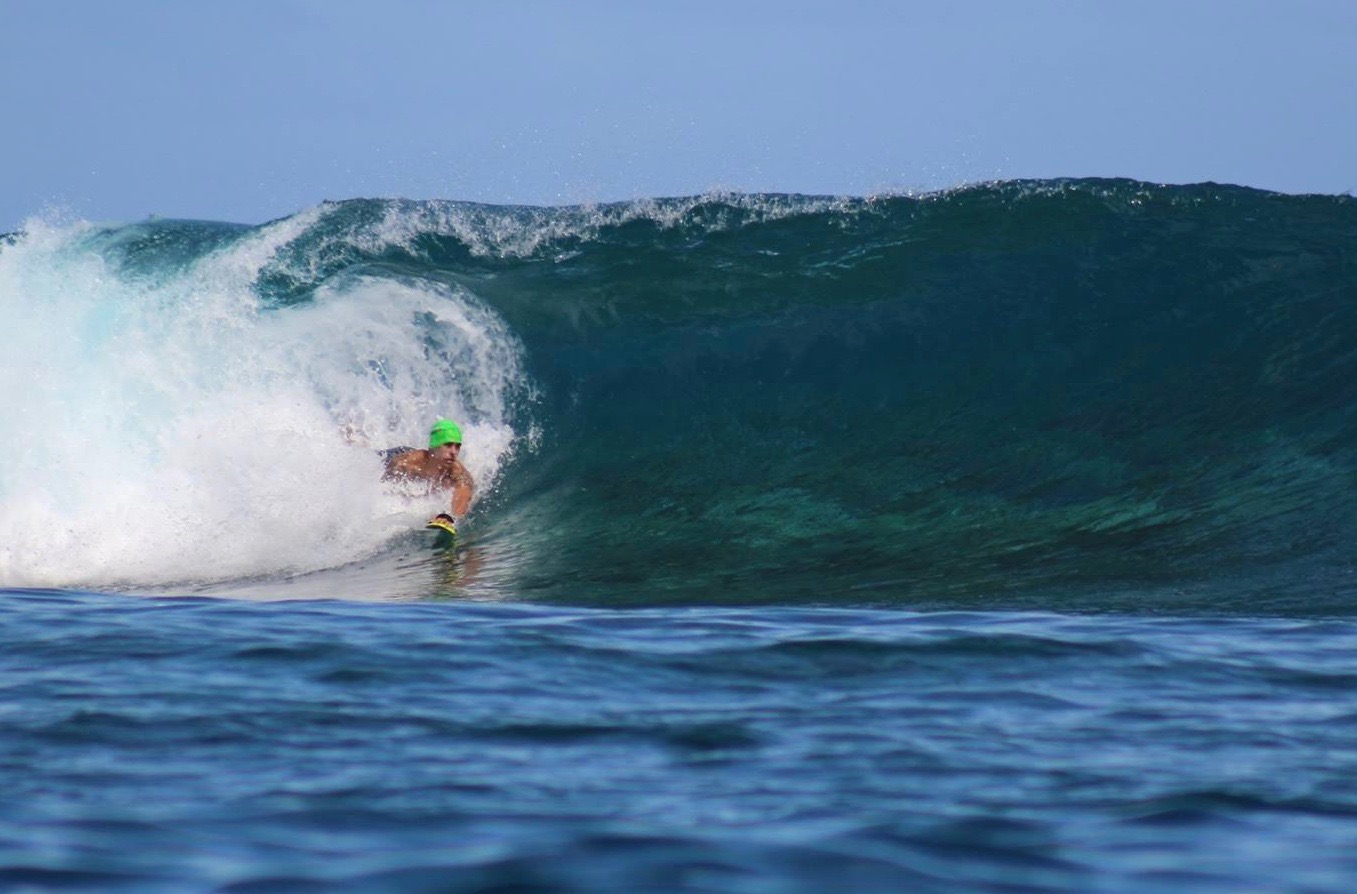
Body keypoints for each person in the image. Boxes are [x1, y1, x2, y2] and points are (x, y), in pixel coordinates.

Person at [382, 418, 474, 534]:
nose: (454, 452)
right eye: (448, 445)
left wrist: (449, 518)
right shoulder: (407, 464)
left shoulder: (456, 471)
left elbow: (463, 494)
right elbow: (383, 484)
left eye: (457, 446)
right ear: (434, 446)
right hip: (394, 454)